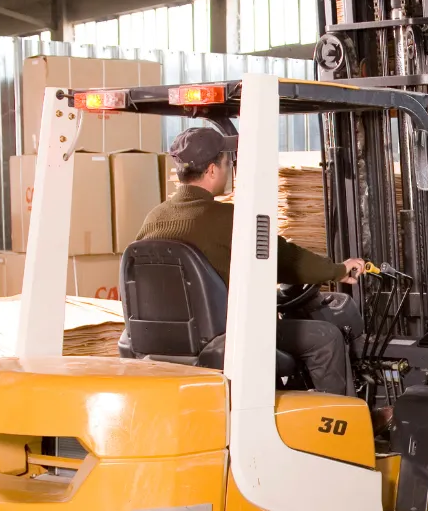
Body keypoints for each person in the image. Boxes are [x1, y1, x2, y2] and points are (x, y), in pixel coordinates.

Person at [135, 126, 365, 394]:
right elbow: (286, 261)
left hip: (162, 339)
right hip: (221, 337)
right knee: (326, 338)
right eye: (227, 163)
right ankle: (337, 423)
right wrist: (337, 270)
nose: (230, 169)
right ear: (212, 170)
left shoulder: (154, 217)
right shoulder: (226, 219)